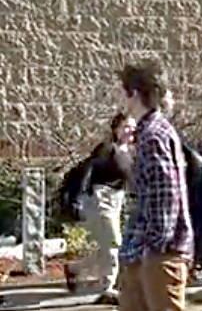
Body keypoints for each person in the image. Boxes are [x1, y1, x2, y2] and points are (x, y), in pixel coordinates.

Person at [117, 61, 194, 311]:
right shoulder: (148, 133)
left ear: (135, 94)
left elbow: (166, 194)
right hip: (141, 252)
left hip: (158, 255)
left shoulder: (153, 135)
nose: (120, 97)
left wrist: (155, 247)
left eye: (123, 91)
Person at [64, 113, 135, 305]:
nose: (130, 130)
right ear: (116, 129)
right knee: (114, 243)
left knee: (107, 245)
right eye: (126, 126)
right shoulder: (107, 149)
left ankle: (75, 269)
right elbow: (88, 170)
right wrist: (77, 198)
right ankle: (107, 288)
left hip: (116, 200)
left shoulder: (128, 151)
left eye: (132, 126)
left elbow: (130, 180)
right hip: (100, 198)